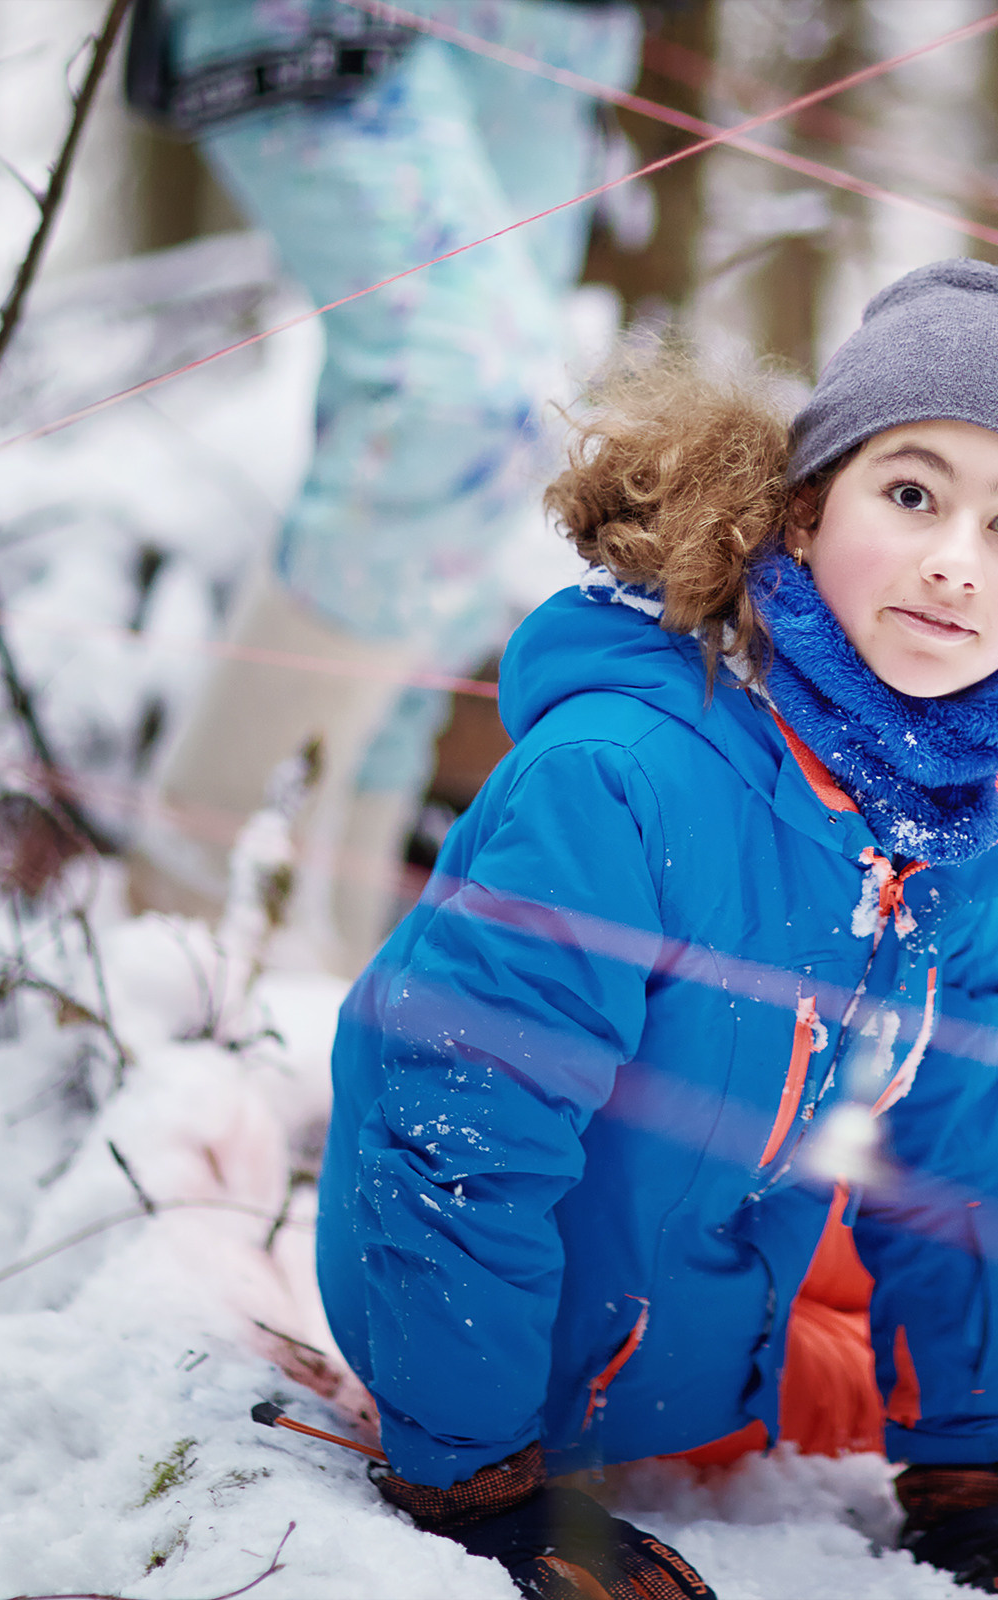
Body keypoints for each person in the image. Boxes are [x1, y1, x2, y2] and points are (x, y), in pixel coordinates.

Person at [316, 260, 998, 1599]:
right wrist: (473, 1475)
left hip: (719, 1262)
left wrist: (981, 1478)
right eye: (911, 492)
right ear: (804, 513)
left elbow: (953, 1151)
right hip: (540, 1359)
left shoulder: (942, 824)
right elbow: (453, 1115)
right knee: (861, 1351)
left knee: (967, 1298)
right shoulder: (621, 778)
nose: (954, 562)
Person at [124, 0, 645, 970]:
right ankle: (180, 911)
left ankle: (324, 971)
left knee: (479, 488)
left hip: (557, 27)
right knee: (463, 394)